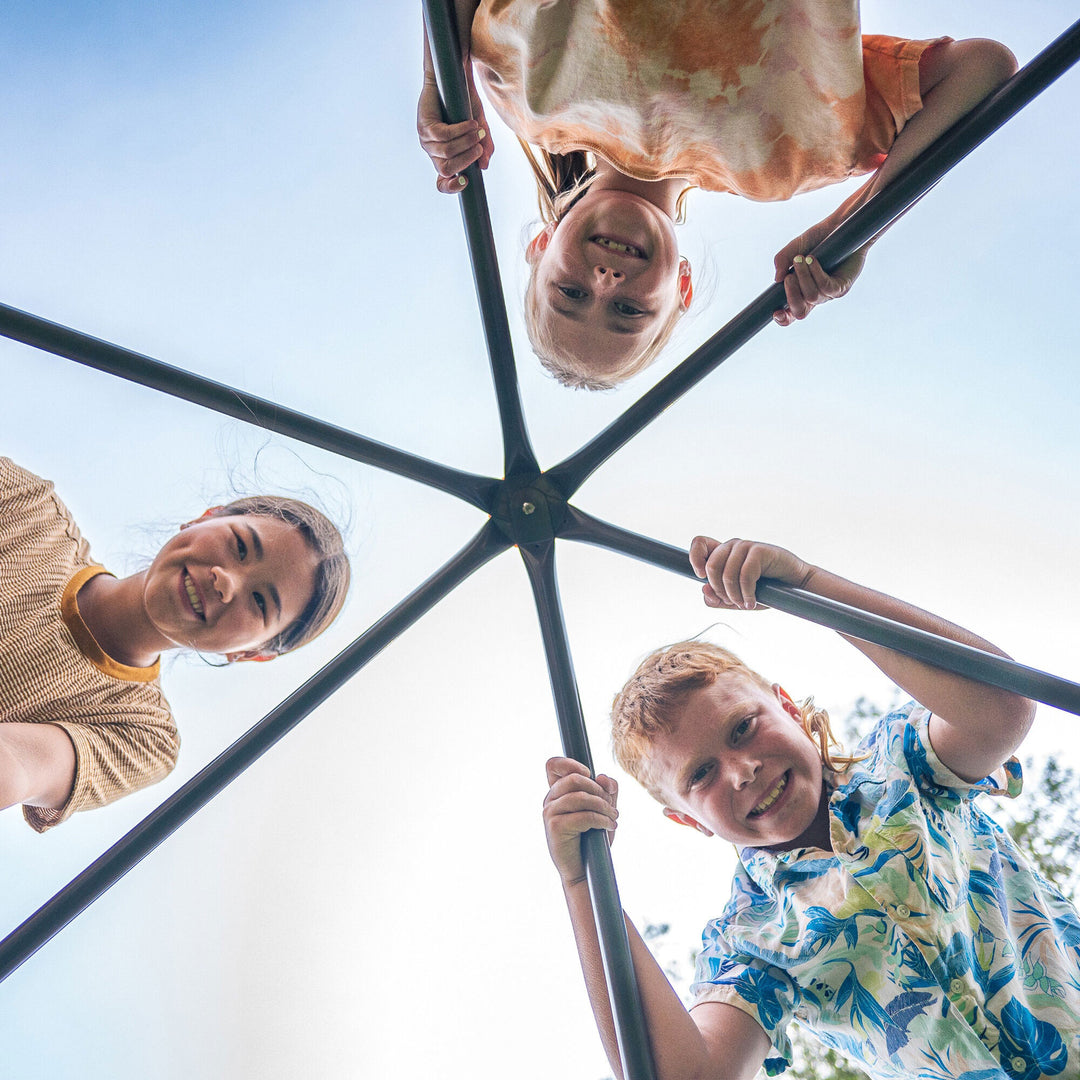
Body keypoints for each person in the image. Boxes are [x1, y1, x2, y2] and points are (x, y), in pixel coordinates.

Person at [543, 537, 1080, 1078]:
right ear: (688, 820)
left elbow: (1001, 709)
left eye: (743, 728)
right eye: (701, 775)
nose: (742, 769)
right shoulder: (751, 938)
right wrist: (584, 882)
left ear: (789, 709)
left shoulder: (903, 763)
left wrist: (805, 585)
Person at [417, 2, 1016, 389]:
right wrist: (856, 228)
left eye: (569, 291)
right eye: (630, 312)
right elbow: (983, 69)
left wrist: (441, 79)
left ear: (541, 245)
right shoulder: (784, 164)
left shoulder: (526, 98)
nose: (604, 282)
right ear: (681, 286)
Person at [0, 456, 350, 833]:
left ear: (251, 654)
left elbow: (14, 768)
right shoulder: (27, 507)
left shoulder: (145, 735)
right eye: (240, 546)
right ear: (206, 516)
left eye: (260, 602)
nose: (227, 582)